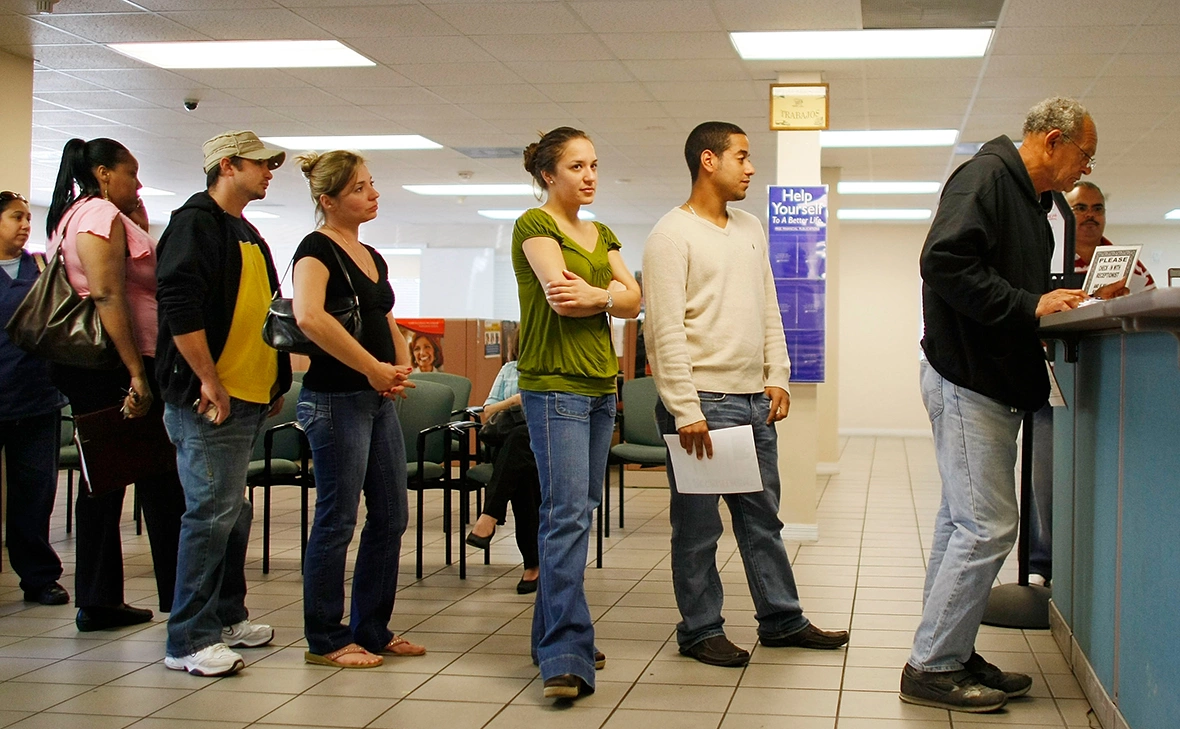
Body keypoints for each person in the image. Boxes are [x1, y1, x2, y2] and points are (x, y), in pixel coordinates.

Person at [904, 96, 1096, 712]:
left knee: (960, 524)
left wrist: (1063, 296)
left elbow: (1009, 279)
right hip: (967, 378)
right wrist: (1030, 305)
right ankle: (931, 666)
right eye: (1083, 155)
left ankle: (949, 650)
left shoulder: (1030, 199)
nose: (1083, 169)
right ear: (1051, 142)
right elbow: (943, 262)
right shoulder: (987, 177)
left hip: (985, 379)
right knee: (987, 526)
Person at [642, 122, 850, 669]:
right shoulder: (670, 235)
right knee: (698, 527)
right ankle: (700, 629)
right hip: (703, 404)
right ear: (708, 160)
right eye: (742, 156)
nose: (751, 167)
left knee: (763, 519)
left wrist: (777, 375)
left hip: (753, 401)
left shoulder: (751, 227)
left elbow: (768, 308)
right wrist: (685, 409)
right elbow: (662, 331)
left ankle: (782, 620)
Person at [513, 126, 641, 700]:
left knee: (579, 511)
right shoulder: (534, 226)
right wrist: (606, 295)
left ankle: (556, 639)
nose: (589, 176)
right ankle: (566, 654)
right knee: (565, 515)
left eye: (593, 165)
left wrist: (605, 297)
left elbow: (635, 298)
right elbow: (560, 294)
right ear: (549, 175)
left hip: (599, 385)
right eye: (576, 167)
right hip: (555, 386)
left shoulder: (601, 231)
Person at [156, 130, 291, 677]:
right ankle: (188, 640)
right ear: (228, 166)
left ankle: (227, 616)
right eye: (260, 164)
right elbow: (179, 307)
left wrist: (273, 381)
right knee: (210, 516)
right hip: (211, 399)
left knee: (233, 514)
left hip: (249, 397)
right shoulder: (194, 223)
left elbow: (262, 310)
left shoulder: (246, 231)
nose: (269, 172)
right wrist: (208, 379)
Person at [43, 138, 187, 631]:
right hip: (117, 365)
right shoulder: (97, 216)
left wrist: (138, 222)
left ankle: (103, 598)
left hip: (108, 367)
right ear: (104, 173)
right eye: (132, 173)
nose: (139, 183)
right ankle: (172, 596)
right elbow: (106, 294)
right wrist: (135, 374)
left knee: (109, 481)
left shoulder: (78, 213)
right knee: (157, 481)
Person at [291, 150, 425, 668]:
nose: (372, 195)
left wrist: (396, 363)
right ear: (328, 200)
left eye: (372, 185)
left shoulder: (371, 253)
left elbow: (382, 314)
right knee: (337, 519)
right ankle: (325, 637)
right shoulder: (315, 249)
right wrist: (371, 367)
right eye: (359, 189)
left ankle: (371, 627)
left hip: (375, 400)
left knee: (391, 515)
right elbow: (309, 317)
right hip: (334, 399)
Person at [1027, 180, 1156, 585]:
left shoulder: (1128, 265)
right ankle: (1043, 564)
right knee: (1044, 476)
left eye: (1097, 208)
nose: (1090, 216)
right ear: (1064, 216)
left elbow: (1148, 316)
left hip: (1109, 391)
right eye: (1080, 208)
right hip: (1050, 384)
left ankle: (1091, 562)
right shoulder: (1043, 258)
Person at [0, 191, 69, 606]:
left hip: (36, 399)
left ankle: (39, 577)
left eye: (27, 217)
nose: (26, 224)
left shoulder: (41, 266)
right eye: (15, 217)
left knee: (35, 492)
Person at [464, 357, 541, 594]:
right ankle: (534, 564)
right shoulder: (509, 370)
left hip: (542, 445)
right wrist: (515, 401)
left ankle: (490, 515)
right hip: (508, 449)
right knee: (520, 459)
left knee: (521, 452)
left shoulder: (551, 369)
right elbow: (487, 413)